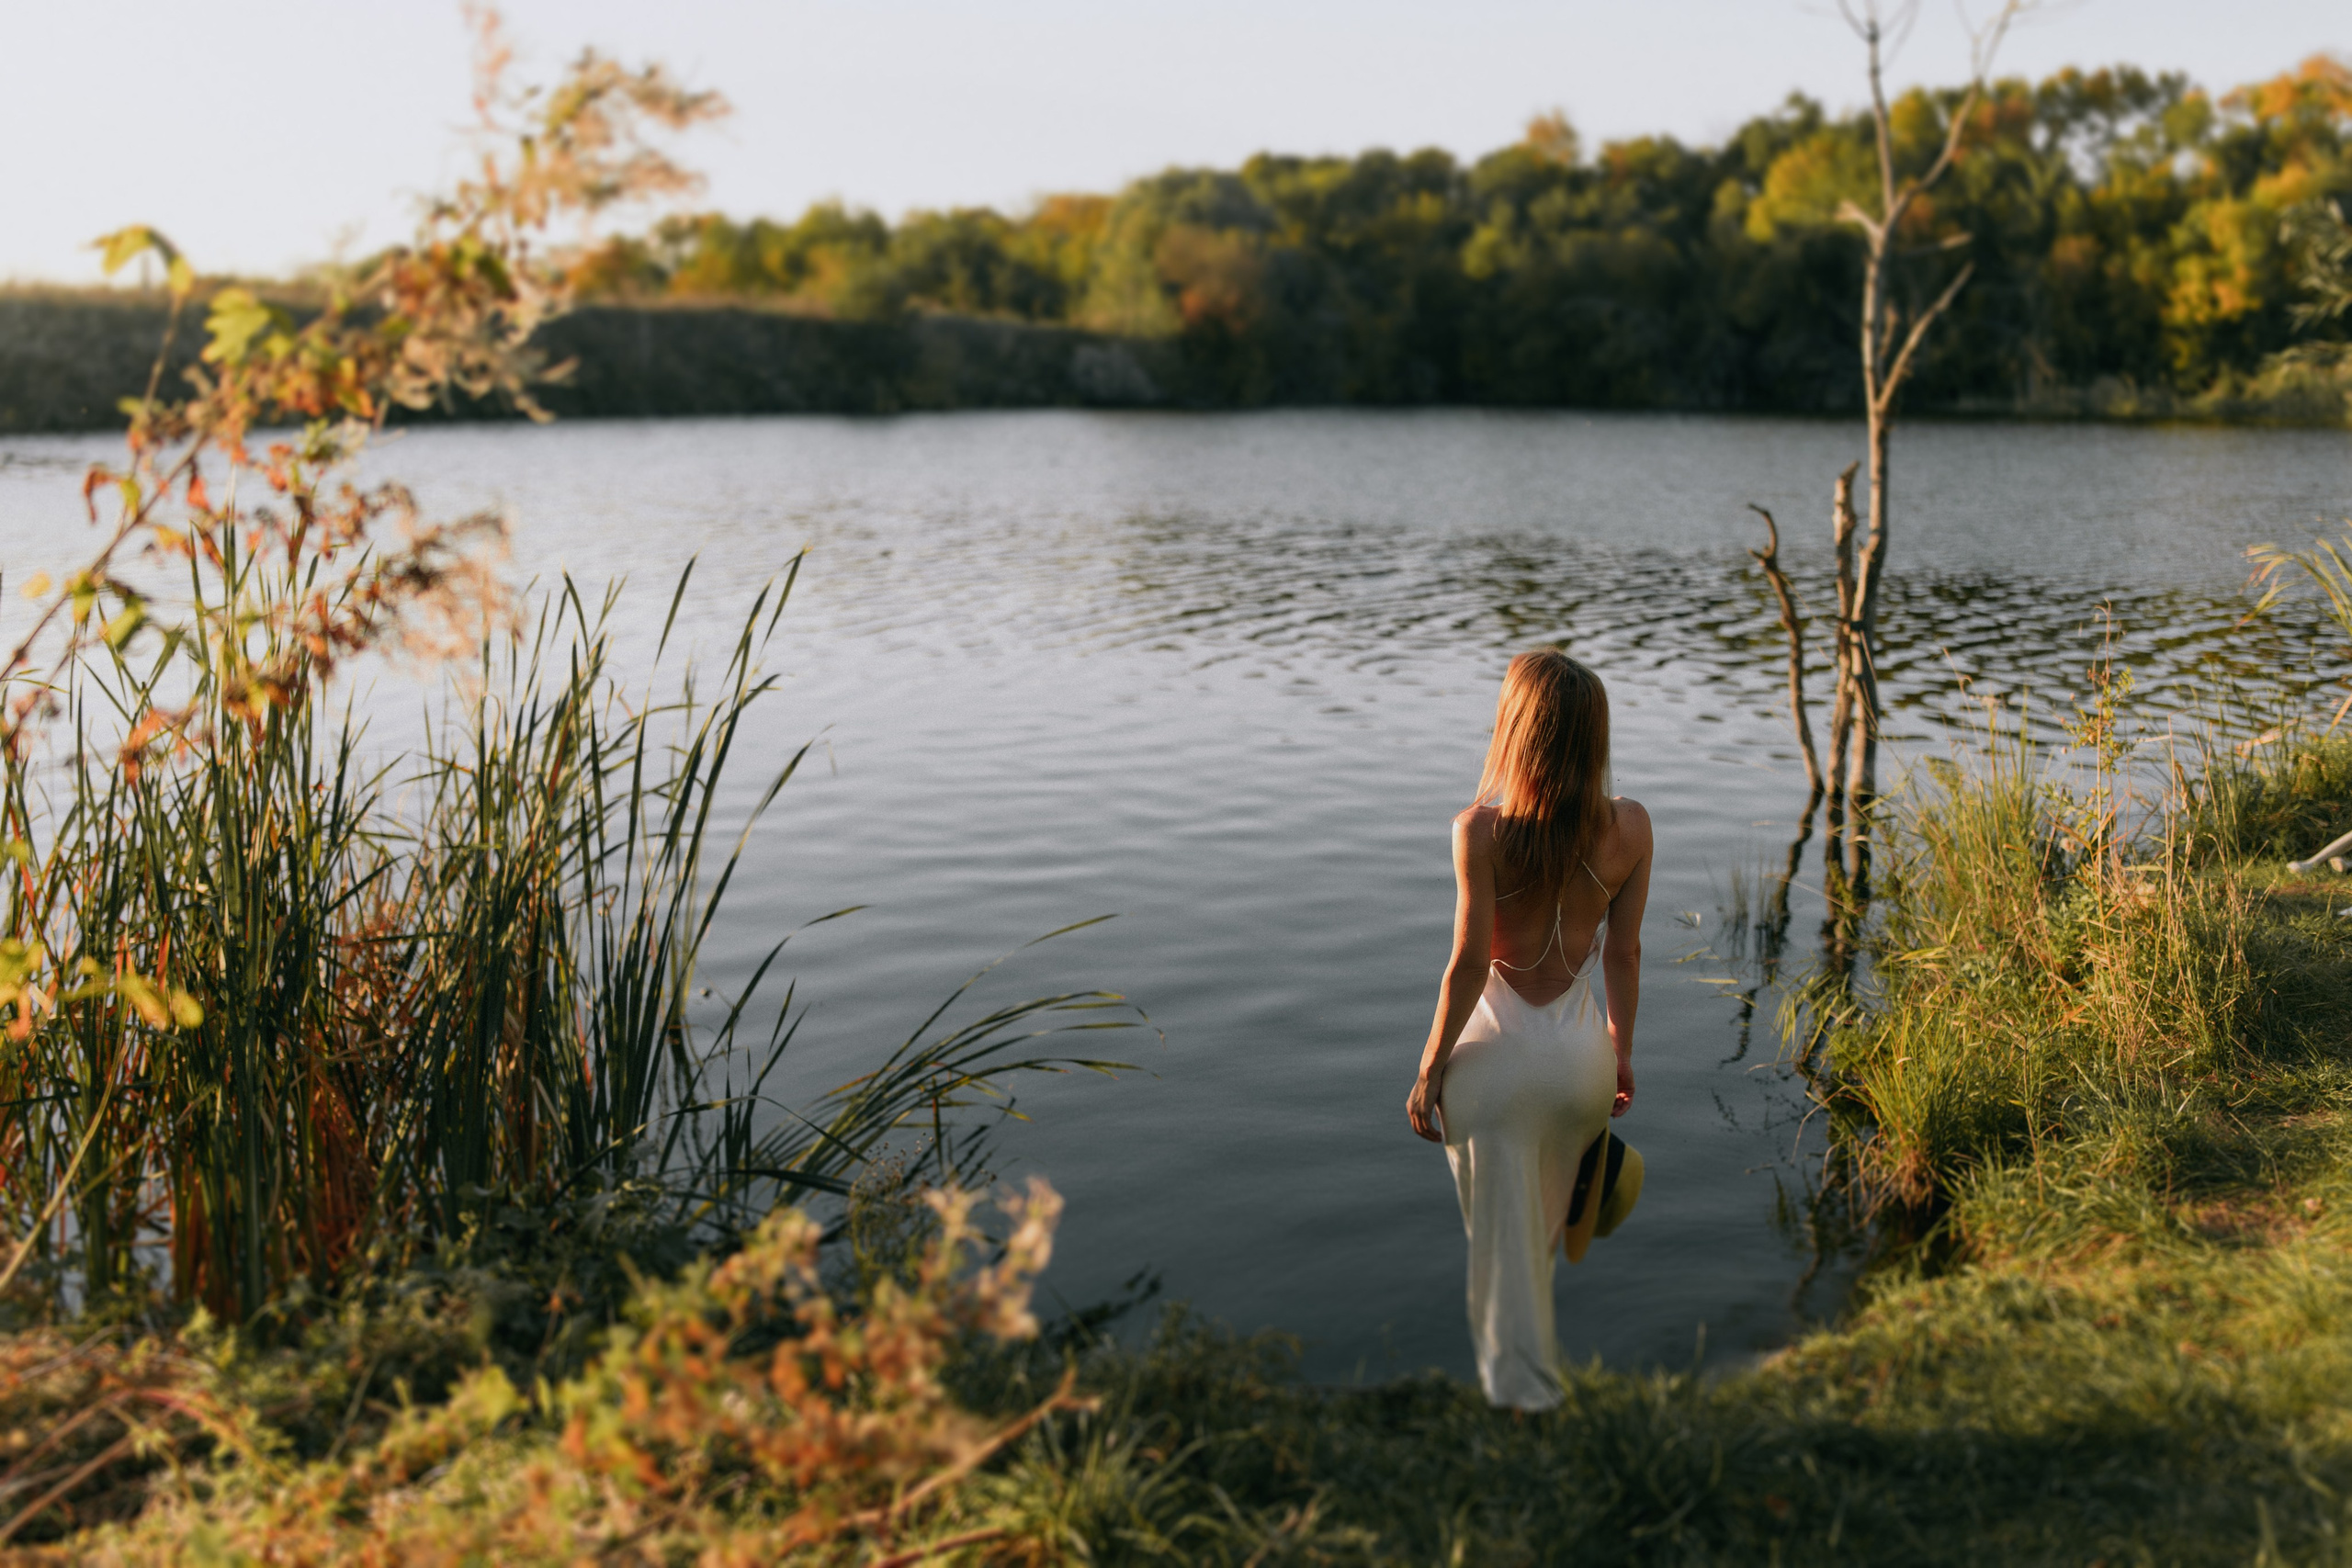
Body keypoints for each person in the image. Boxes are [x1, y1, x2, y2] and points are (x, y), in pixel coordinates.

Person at [1404, 649, 1652, 1411]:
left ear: (1516, 731)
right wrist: (1621, 1053)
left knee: (1499, 1242)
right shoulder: (1631, 827)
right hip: (1581, 1062)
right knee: (1536, 1237)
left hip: (1494, 1066)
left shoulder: (1477, 831)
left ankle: (1518, 1398)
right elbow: (1626, 951)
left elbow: (1467, 965)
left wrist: (1428, 1068)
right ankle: (1524, 1381)